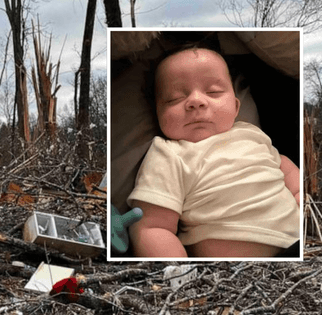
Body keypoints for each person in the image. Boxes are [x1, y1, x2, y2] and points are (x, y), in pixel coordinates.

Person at [127, 46, 300, 258]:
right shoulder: (169, 153)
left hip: (298, 242)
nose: (196, 101)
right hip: (228, 267)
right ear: (158, 113)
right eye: (174, 98)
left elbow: (282, 163)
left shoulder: (251, 133)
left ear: (236, 107)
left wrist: (299, 193)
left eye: (213, 92)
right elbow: (151, 227)